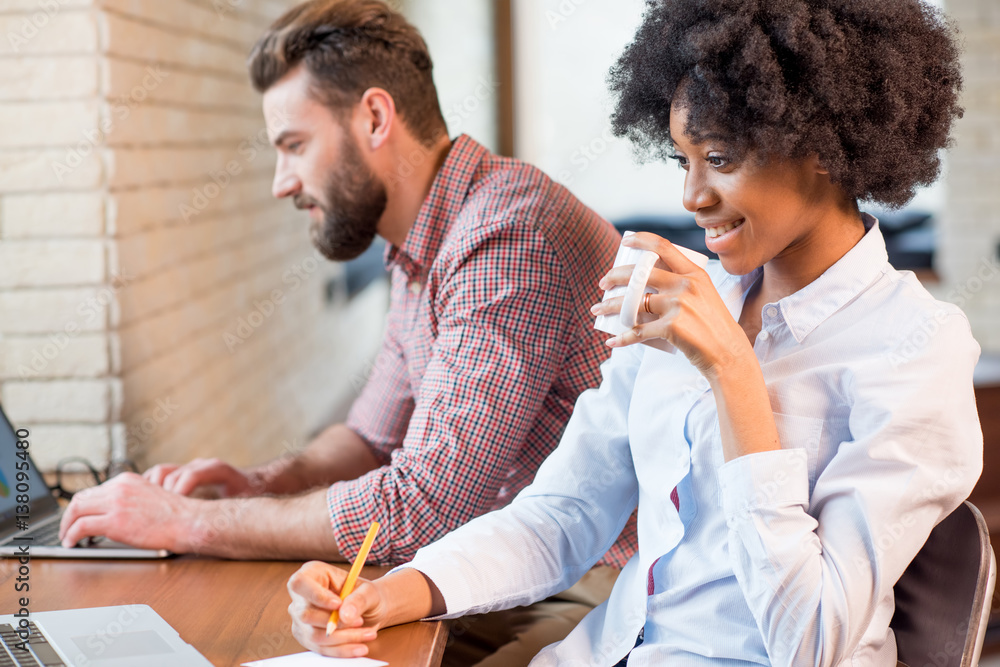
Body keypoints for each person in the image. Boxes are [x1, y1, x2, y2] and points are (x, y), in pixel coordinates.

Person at [285, 0, 984, 664]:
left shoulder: (918, 349)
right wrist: (390, 593)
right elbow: (564, 514)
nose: (692, 197)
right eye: (684, 159)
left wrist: (733, 373)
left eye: (721, 157)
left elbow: (809, 641)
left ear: (823, 145)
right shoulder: (691, 299)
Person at [58, 1, 636, 663]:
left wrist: (188, 521)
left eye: (294, 146)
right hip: (518, 562)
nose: (283, 184)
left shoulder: (506, 234)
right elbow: (368, 436)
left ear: (374, 118)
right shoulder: (423, 242)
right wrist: (258, 483)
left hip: (608, 581)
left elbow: (420, 506)